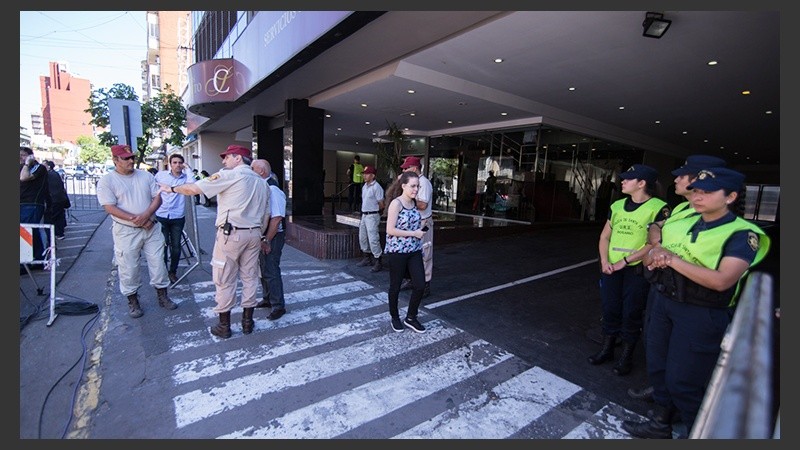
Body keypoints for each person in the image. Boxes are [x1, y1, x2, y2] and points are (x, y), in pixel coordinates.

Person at [622, 167, 771, 439]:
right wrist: (655, 254)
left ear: (730, 197)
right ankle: (661, 423)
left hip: (701, 312)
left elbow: (722, 281)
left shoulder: (741, 234)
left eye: (708, 192)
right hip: (665, 301)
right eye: (698, 191)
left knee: (684, 382)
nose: (699, 197)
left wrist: (671, 259)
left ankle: (697, 433)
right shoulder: (681, 221)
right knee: (659, 369)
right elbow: (652, 252)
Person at [629, 154, 728, 403]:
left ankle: (685, 417)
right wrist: (659, 244)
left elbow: (721, 279)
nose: (676, 180)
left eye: (682, 176)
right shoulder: (682, 208)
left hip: (696, 302)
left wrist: (666, 256)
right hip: (664, 291)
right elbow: (655, 226)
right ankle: (661, 409)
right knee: (655, 347)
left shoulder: (718, 221)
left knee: (684, 372)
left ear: (700, 180)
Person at [163, 145, 269, 338]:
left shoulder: (229, 175)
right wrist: (260, 234)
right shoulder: (262, 183)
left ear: (238, 158)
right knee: (250, 278)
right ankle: (247, 322)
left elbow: (193, 189)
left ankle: (224, 326)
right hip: (254, 234)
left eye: (227, 157)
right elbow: (266, 213)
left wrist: (170, 188)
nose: (223, 161)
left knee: (224, 279)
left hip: (231, 235)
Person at [589, 164, 668, 376]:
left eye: (628, 179)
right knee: (610, 307)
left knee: (631, 311)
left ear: (642, 183)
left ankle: (627, 356)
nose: (622, 181)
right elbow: (605, 236)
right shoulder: (617, 206)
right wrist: (604, 261)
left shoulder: (659, 208)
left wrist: (626, 260)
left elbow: (655, 243)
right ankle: (607, 348)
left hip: (636, 269)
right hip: (611, 267)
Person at [96, 144, 177, 318]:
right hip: (127, 230)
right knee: (129, 266)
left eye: (132, 157)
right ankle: (133, 300)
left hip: (151, 226)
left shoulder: (145, 176)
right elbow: (109, 207)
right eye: (126, 158)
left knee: (158, 262)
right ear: (115, 160)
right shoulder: (107, 181)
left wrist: (147, 215)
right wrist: (137, 220)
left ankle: (162, 295)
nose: (131, 161)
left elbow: (157, 197)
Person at [384, 171, 427, 333]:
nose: (416, 189)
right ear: (403, 186)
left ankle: (411, 317)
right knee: (395, 286)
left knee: (420, 284)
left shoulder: (414, 203)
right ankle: (395, 317)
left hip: (414, 250)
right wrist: (413, 233)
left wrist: (422, 226)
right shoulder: (397, 204)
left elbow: (411, 224)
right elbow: (390, 230)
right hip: (398, 251)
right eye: (413, 186)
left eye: (418, 186)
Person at [251, 159, 288, 320]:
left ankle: (278, 305)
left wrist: (267, 239)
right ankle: (268, 298)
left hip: (272, 236)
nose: (249, 171)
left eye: (252, 168)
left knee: (271, 270)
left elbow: (277, 218)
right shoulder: (264, 187)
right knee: (264, 269)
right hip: (265, 235)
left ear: (261, 172)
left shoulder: (273, 190)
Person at [154, 153, 195, 283]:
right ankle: (163, 272)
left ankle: (173, 272)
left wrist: (188, 169)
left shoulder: (185, 178)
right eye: (174, 162)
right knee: (163, 245)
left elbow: (193, 186)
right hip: (162, 215)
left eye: (179, 163)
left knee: (176, 247)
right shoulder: (161, 175)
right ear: (170, 164)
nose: (177, 165)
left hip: (177, 216)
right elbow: (153, 189)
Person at [399, 156, 434, 297]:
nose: (404, 170)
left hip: (423, 222)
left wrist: (408, 200)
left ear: (414, 168)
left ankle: (425, 284)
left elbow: (423, 204)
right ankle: (410, 279)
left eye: (407, 168)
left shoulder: (424, 183)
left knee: (425, 253)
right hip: (414, 222)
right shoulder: (413, 182)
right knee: (410, 251)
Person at [20, 146, 50, 271]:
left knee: (25, 231)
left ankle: (25, 262)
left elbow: (24, 178)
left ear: (30, 156)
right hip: (23, 203)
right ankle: (37, 258)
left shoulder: (38, 167)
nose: (20, 158)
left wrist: (27, 164)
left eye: (22, 155)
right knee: (31, 230)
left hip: (32, 203)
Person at [356, 165, 385, 272]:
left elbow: (381, 204)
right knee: (362, 237)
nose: (364, 175)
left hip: (372, 215)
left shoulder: (377, 187)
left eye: (367, 174)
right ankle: (367, 257)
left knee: (373, 239)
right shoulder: (365, 186)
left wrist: (378, 212)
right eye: (364, 173)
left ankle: (378, 260)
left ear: (373, 175)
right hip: (364, 215)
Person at [43, 160, 70, 242]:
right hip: (60, 198)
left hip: (54, 199)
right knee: (59, 216)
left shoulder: (48, 175)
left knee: (52, 218)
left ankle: (55, 235)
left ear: (48, 166)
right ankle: (60, 233)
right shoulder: (55, 174)